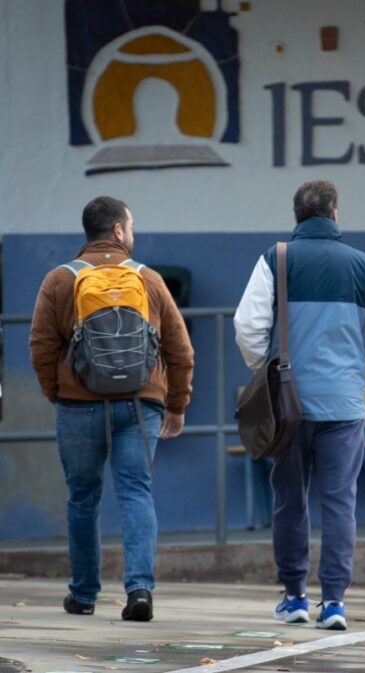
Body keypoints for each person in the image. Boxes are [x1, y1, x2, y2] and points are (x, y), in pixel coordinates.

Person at [234, 180, 365, 630]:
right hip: (344, 408)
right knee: (339, 504)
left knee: (289, 500)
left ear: (296, 217)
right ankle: (334, 603)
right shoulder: (364, 265)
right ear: (335, 214)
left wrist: (268, 372)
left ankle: (293, 596)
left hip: (286, 409)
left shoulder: (276, 259)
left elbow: (247, 326)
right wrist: (361, 377)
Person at [29, 196, 194, 621]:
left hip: (77, 405)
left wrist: (60, 392)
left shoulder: (59, 280)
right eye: (131, 226)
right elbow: (180, 349)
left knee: (83, 498)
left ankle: (84, 595)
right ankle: (139, 591)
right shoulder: (149, 280)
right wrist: (176, 406)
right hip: (140, 405)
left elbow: (41, 348)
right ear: (119, 231)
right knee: (135, 493)